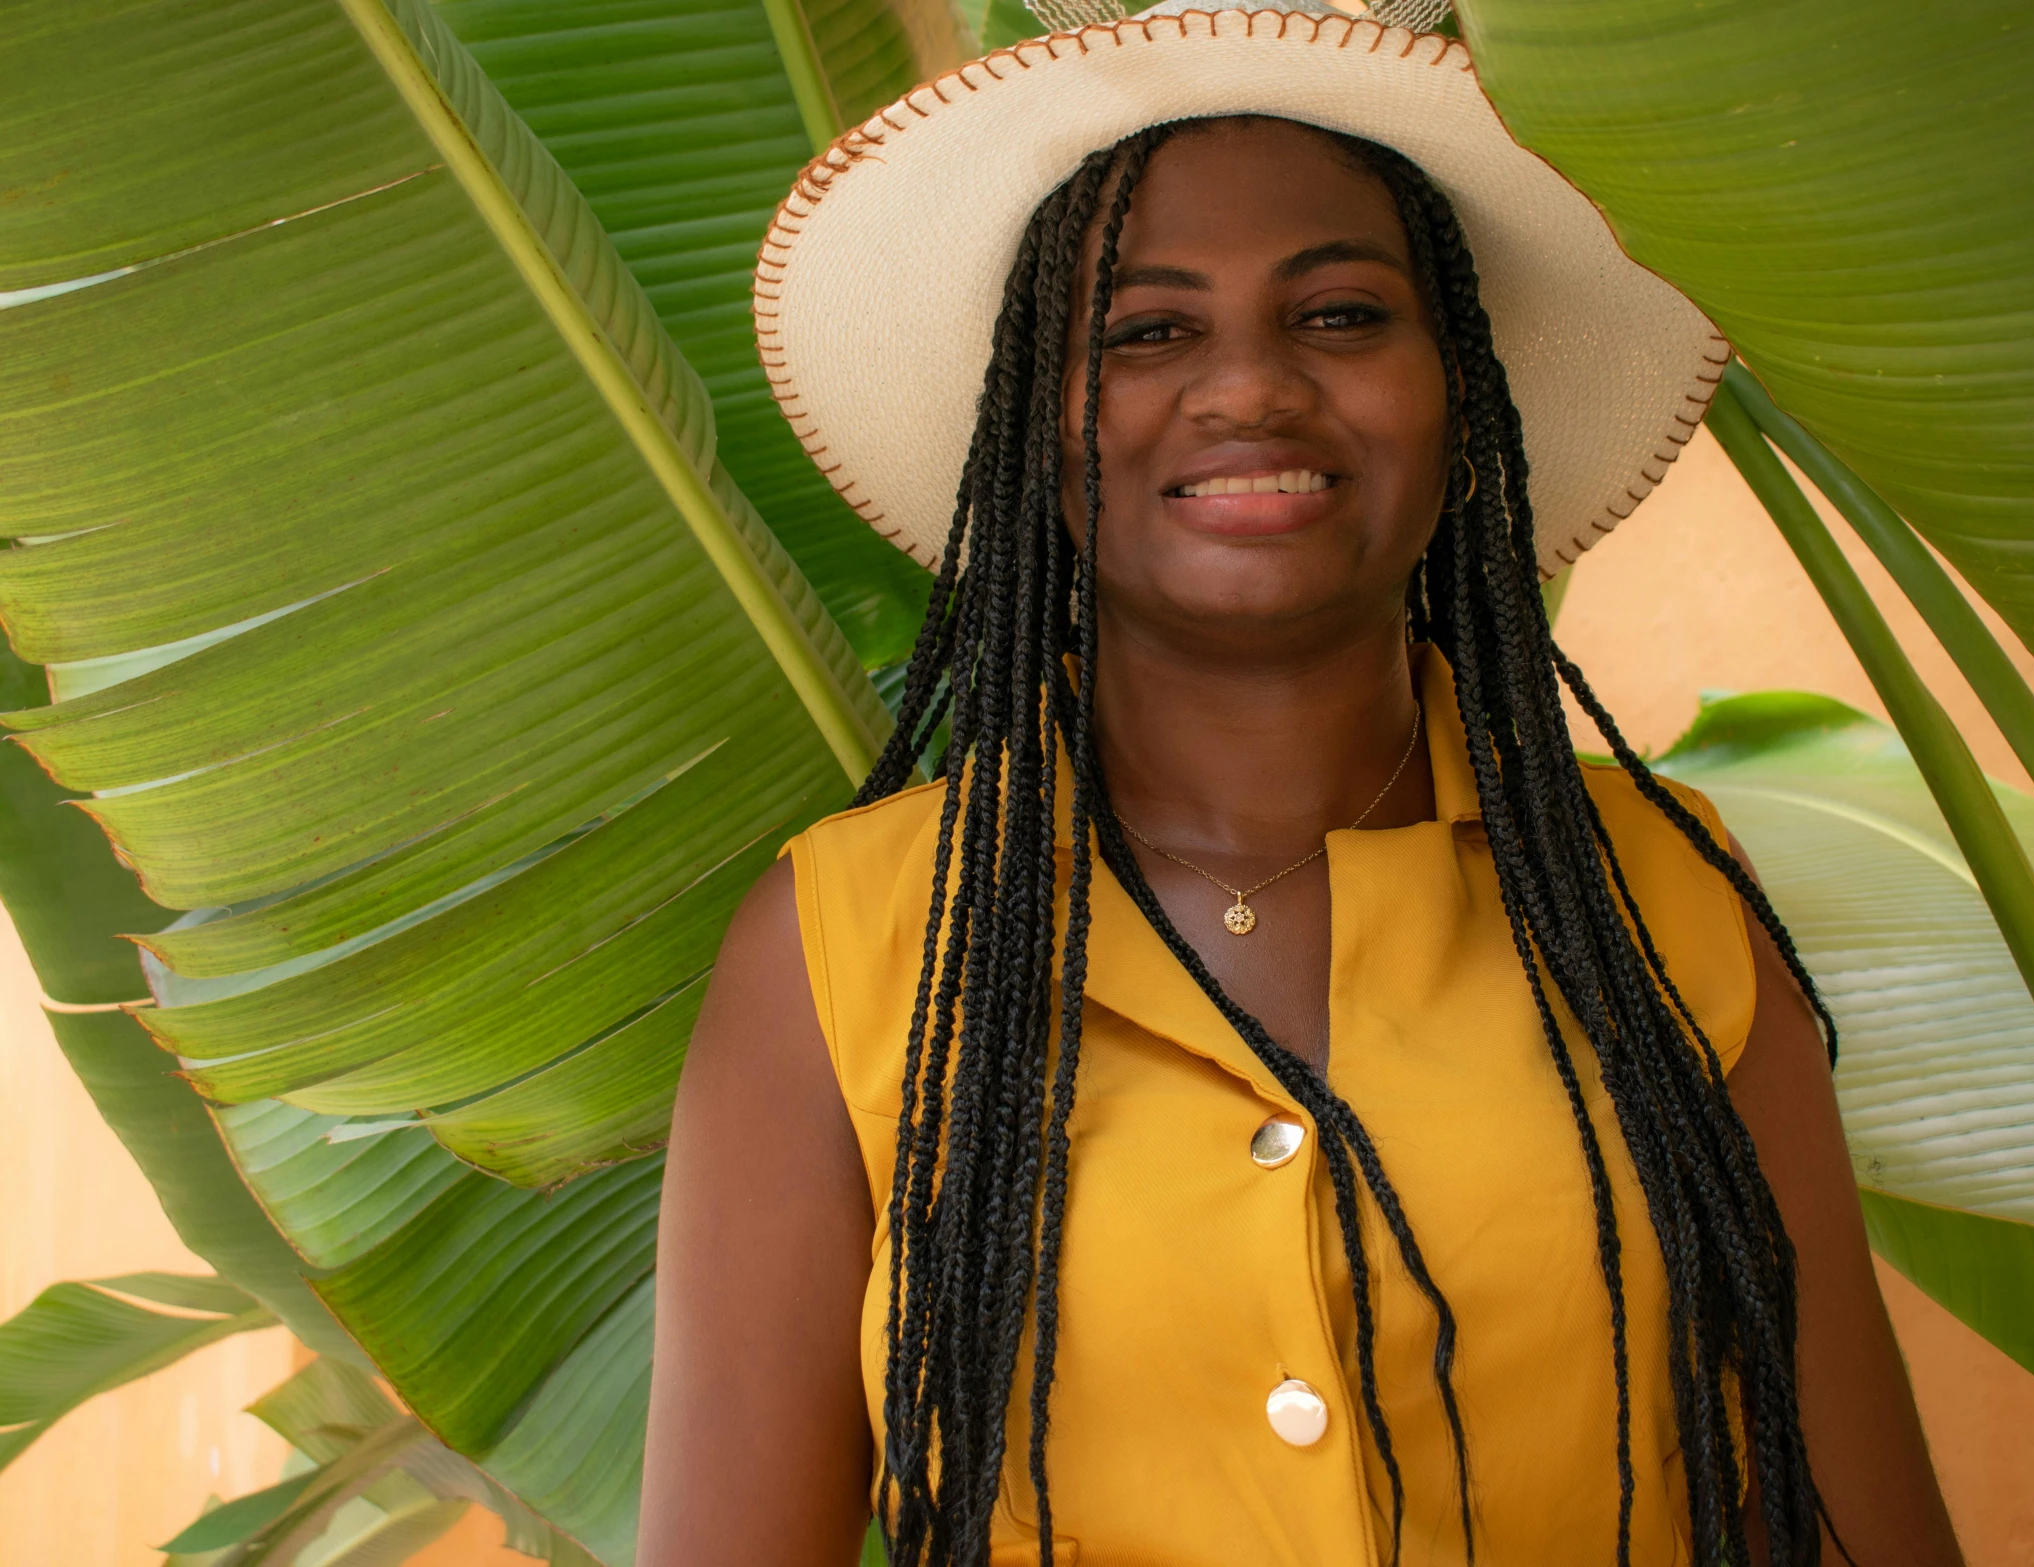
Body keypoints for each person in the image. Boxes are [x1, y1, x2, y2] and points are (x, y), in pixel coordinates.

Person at [641, 4, 1962, 1562]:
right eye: (1144, 332)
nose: (1248, 388)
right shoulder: (839, 946)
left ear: (1458, 390)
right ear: (1032, 432)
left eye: (1338, 315)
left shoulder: (1658, 893)